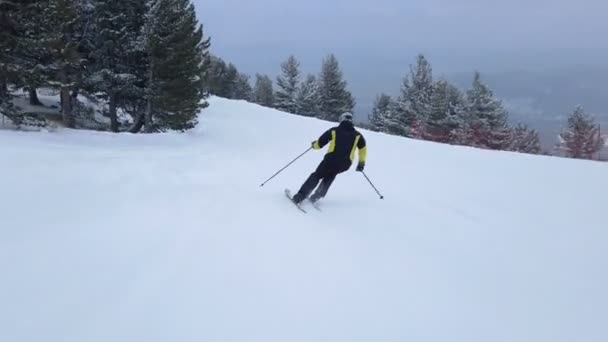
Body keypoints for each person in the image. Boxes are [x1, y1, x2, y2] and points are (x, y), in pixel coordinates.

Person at [291, 112, 367, 204]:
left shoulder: (334, 130)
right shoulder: (358, 135)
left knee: (317, 175)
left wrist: (314, 145)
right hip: (345, 164)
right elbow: (363, 149)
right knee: (330, 176)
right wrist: (361, 164)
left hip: (331, 159)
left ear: (342, 119)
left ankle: (300, 196)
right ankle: (316, 197)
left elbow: (320, 143)